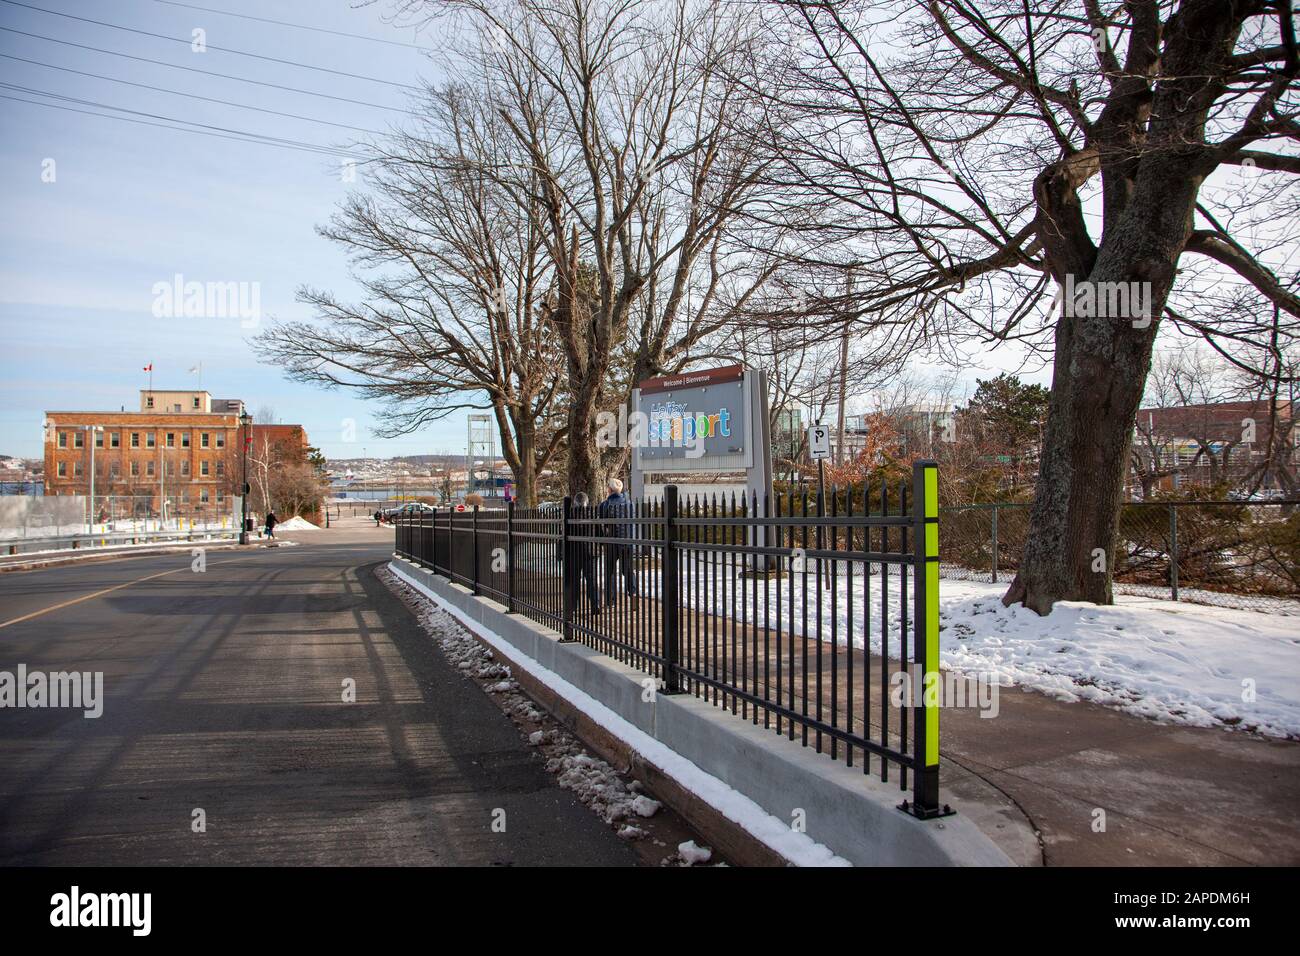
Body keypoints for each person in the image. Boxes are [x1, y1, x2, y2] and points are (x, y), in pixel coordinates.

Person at [598, 478, 638, 600]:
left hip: (611, 541)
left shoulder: (605, 505)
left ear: (610, 489)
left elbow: (602, 523)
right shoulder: (629, 503)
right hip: (627, 541)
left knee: (610, 571)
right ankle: (633, 592)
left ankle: (611, 599)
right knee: (628, 569)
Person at [564, 492, 602, 615]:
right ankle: (595, 605)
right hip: (590, 553)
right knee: (591, 580)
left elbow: (564, 536)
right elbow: (600, 534)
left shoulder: (570, 515)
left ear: (575, 502)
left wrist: (562, 552)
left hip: (574, 552)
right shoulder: (593, 515)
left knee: (575, 580)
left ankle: (573, 606)